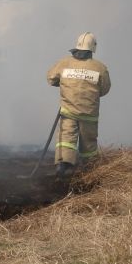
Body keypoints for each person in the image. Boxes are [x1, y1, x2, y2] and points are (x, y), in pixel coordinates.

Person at [46, 32, 111, 176]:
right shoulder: (100, 68)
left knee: (66, 139)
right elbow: (105, 89)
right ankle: (90, 170)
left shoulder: (64, 63)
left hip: (68, 112)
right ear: (93, 48)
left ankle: (62, 167)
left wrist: (63, 83)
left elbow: (51, 78)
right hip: (89, 114)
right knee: (89, 144)